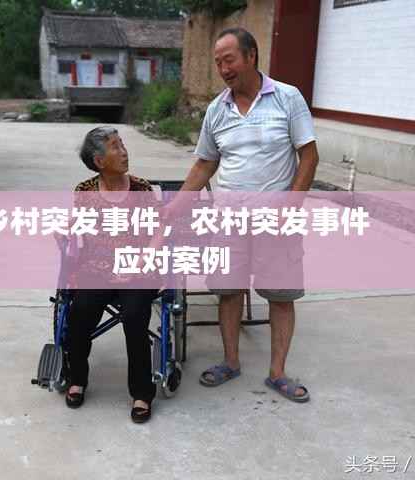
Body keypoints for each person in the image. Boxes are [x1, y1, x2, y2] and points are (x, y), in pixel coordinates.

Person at [174, 28, 319, 402]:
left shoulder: (287, 97)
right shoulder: (216, 110)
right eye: (218, 62)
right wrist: (173, 209)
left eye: (229, 59)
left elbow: (309, 156)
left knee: (280, 296)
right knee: (228, 291)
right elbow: (205, 164)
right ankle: (231, 361)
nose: (223, 69)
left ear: (251, 55)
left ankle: (278, 372)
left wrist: (291, 206)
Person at [65, 126, 157, 423]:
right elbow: (76, 231)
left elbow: (158, 231)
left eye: (122, 144)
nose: (124, 152)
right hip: (97, 270)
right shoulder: (84, 191)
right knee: (80, 312)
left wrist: (142, 259)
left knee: (135, 316)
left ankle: (142, 392)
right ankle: (76, 378)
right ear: (99, 161)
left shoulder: (142, 189)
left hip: (137, 270)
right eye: (116, 147)